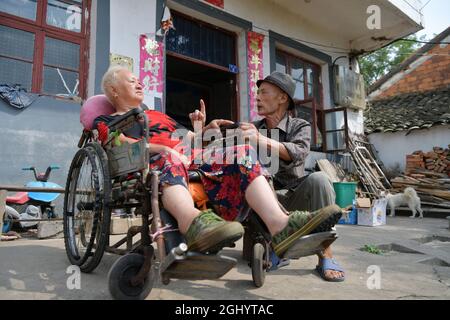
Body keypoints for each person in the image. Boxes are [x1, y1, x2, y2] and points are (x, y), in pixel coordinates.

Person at [95, 65, 342, 259]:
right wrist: (164, 148)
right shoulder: (107, 121)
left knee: (242, 151)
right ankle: (193, 222)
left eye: (139, 80)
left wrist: (203, 129)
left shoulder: (159, 116)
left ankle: (281, 226)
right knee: (170, 156)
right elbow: (119, 146)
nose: (139, 83)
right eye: (132, 81)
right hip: (152, 164)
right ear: (114, 91)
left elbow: (192, 141)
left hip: (190, 161)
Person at [236, 71, 345, 282]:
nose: (257, 97)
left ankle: (326, 253)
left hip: (294, 198)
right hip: (261, 206)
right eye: (256, 93)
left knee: (319, 179)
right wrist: (204, 128)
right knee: (252, 257)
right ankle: (274, 244)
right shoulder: (252, 128)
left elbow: (297, 153)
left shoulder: (299, 126)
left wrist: (261, 140)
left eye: (263, 92)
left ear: (282, 98)